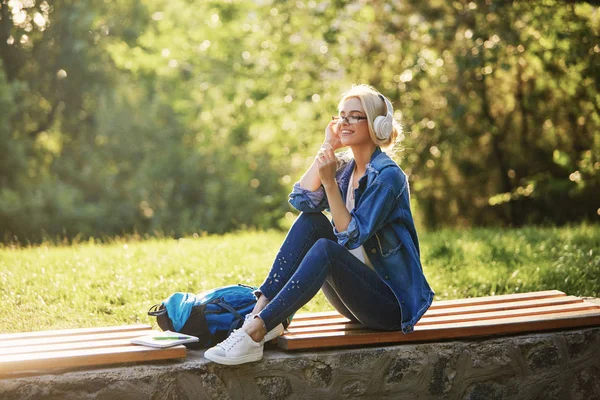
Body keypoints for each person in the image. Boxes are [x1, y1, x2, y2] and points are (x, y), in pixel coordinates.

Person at [204, 84, 434, 365]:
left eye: (354, 116)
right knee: (312, 221)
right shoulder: (346, 169)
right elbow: (300, 200)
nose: (343, 122)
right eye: (341, 115)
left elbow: (351, 236)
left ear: (376, 125)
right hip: (356, 298)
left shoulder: (388, 177)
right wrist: (327, 147)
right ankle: (256, 318)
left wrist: (328, 183)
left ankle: (256, 330)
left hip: (390, 308)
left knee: (326, 248)